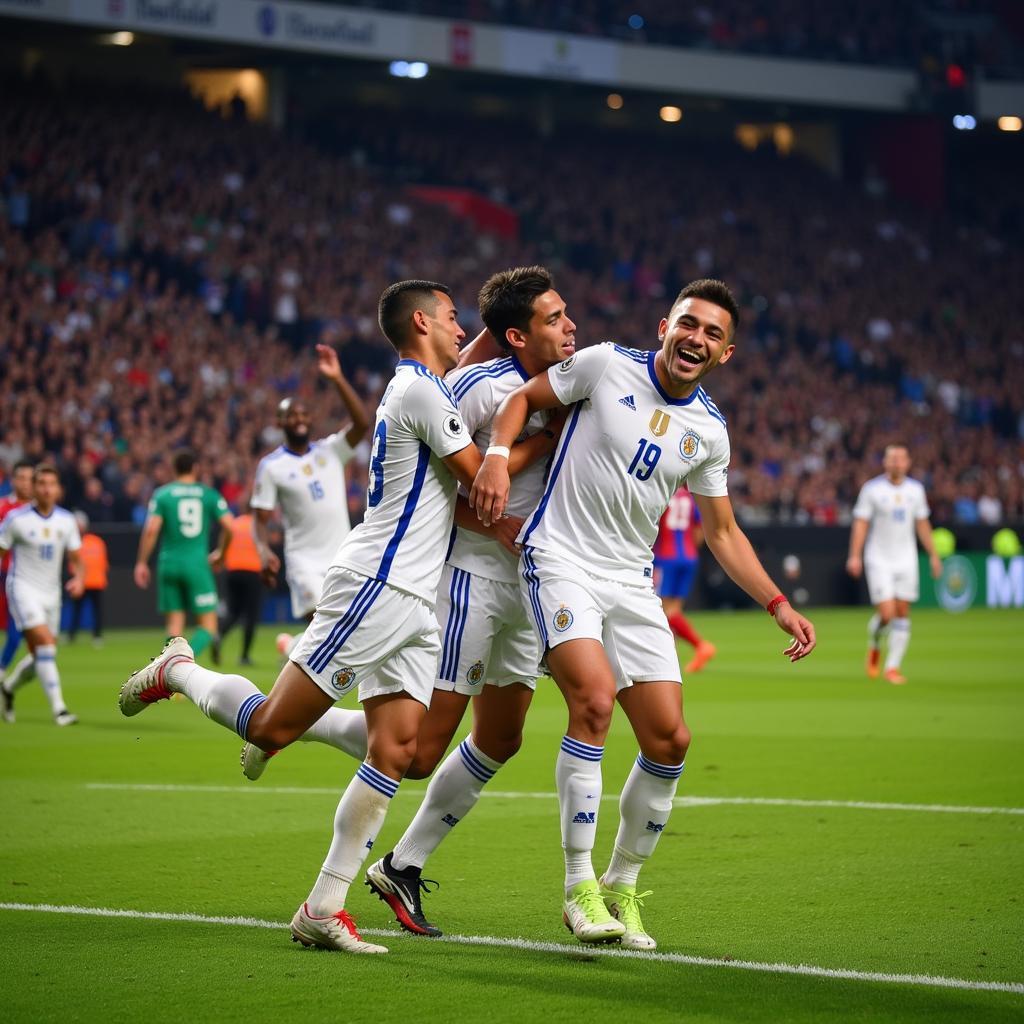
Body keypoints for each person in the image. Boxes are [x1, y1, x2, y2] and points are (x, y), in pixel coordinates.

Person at [118, 280, 541, 955]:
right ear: (423, 322)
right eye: (457, 319)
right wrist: (544, 434)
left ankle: (323, 907)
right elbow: (479, 478)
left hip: (411, 598)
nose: (464, 331)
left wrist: (504, 319)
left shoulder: (423, 387)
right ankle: (180, 669)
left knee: (400, 752)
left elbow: (466, 403)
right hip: (376, 585)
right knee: (271, 725)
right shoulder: (419, 392)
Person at [470, 278, 817, 950]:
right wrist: (492, 458)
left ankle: (621, 884)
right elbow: (521, 400)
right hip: (560, 559)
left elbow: (722, 532)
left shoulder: (709, 431)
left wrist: (777, 603)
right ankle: (577, 889)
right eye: (689, 324)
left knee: (669, 741)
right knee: (594, 703)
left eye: (713, 333)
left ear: (728, 353)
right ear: (665, 326)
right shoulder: (603, 364)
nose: (697, 338)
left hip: (631, 582)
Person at [241, 266, 574, 939]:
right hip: (438, 581)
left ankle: (359, 886)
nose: (571, 327)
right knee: (389, 749)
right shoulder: (458, 389)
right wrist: (529, 446)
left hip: (493, 584)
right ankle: (208, 682)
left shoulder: (564, 379)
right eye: (554, 317)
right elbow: (474, 481)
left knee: (462, 744)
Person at [250, 344, 370, 638]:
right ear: (280, 423)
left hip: (342, 556)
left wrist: (338, 379)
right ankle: (296, 653)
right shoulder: (271, 466)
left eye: (304, 414)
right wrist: (263, 551)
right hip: (303, 560)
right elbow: (261, 519)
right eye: (292, 415)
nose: (300, 419)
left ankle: (291, 648)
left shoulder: (330, 451)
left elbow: (362, 423)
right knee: (321, 629)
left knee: (346, 635)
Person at [846, 443, 942, 685]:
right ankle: (875, 645)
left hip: (906, 557)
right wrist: (855, 555)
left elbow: (922, 523)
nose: (896, 462)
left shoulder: (916, 490)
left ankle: (892, 667)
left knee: (902, 611)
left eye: (900, 458)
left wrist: (933, 554)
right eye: (892, 458)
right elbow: (861, 523)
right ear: (885, 462)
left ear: (908, 462)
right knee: (886, 613)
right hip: (879, 557)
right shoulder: (872, 489)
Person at [0, 464, 85, 725]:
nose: (47, 489)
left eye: (51, 484)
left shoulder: (66, 520)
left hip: (51, 593)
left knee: (44, 654)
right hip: (22, 588)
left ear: (58, 489)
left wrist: (80, 578)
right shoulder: (16, 519)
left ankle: (8, 688)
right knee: (45, 645)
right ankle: (60, 710)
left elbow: (76, 558)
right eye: (41, 483)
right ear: (34, 488)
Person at [134, 449, 233, 661]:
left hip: (168, 563)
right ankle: (176, 666)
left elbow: (151, 530)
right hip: (196, 565)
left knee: (174, 627)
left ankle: (166, 669)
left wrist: (142, 562)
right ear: (195, 469)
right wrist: (221, 554)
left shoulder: (162, 494)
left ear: (174, 469)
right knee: (208, 626)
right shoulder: (208, 494)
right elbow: (229, 526)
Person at [654, 485, 716, 674]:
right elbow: (699, 530)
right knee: (675, 610)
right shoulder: (689, 498)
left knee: (663, 611)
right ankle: (669, 656)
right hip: (688, 557)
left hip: (665, 558)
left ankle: (700, 645)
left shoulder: (662, 494)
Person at [0, 459, 35, 686]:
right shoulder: (4, 508)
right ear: (13, 480)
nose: (24, 483)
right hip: (4, 575)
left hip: (26, 580)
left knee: (16, 634)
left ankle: (3, 675)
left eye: (29, 479)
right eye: (20, 478)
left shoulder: (40, 510)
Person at [218, 506, 264, 666]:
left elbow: (223, 544)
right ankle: (244, 656)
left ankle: (219, 635)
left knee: (233, 612)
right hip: (252, 571)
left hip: (233, 571)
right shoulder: (258, 526)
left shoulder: (233, 524)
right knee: (251, 616)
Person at [67, 511, 109, 646]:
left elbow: (103, 562)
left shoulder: (94, 541)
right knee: (77, 611)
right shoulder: (76, 543)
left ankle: (96, 636)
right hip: (83, 582)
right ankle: (72, 635)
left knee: (95, 612)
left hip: (95, 582)